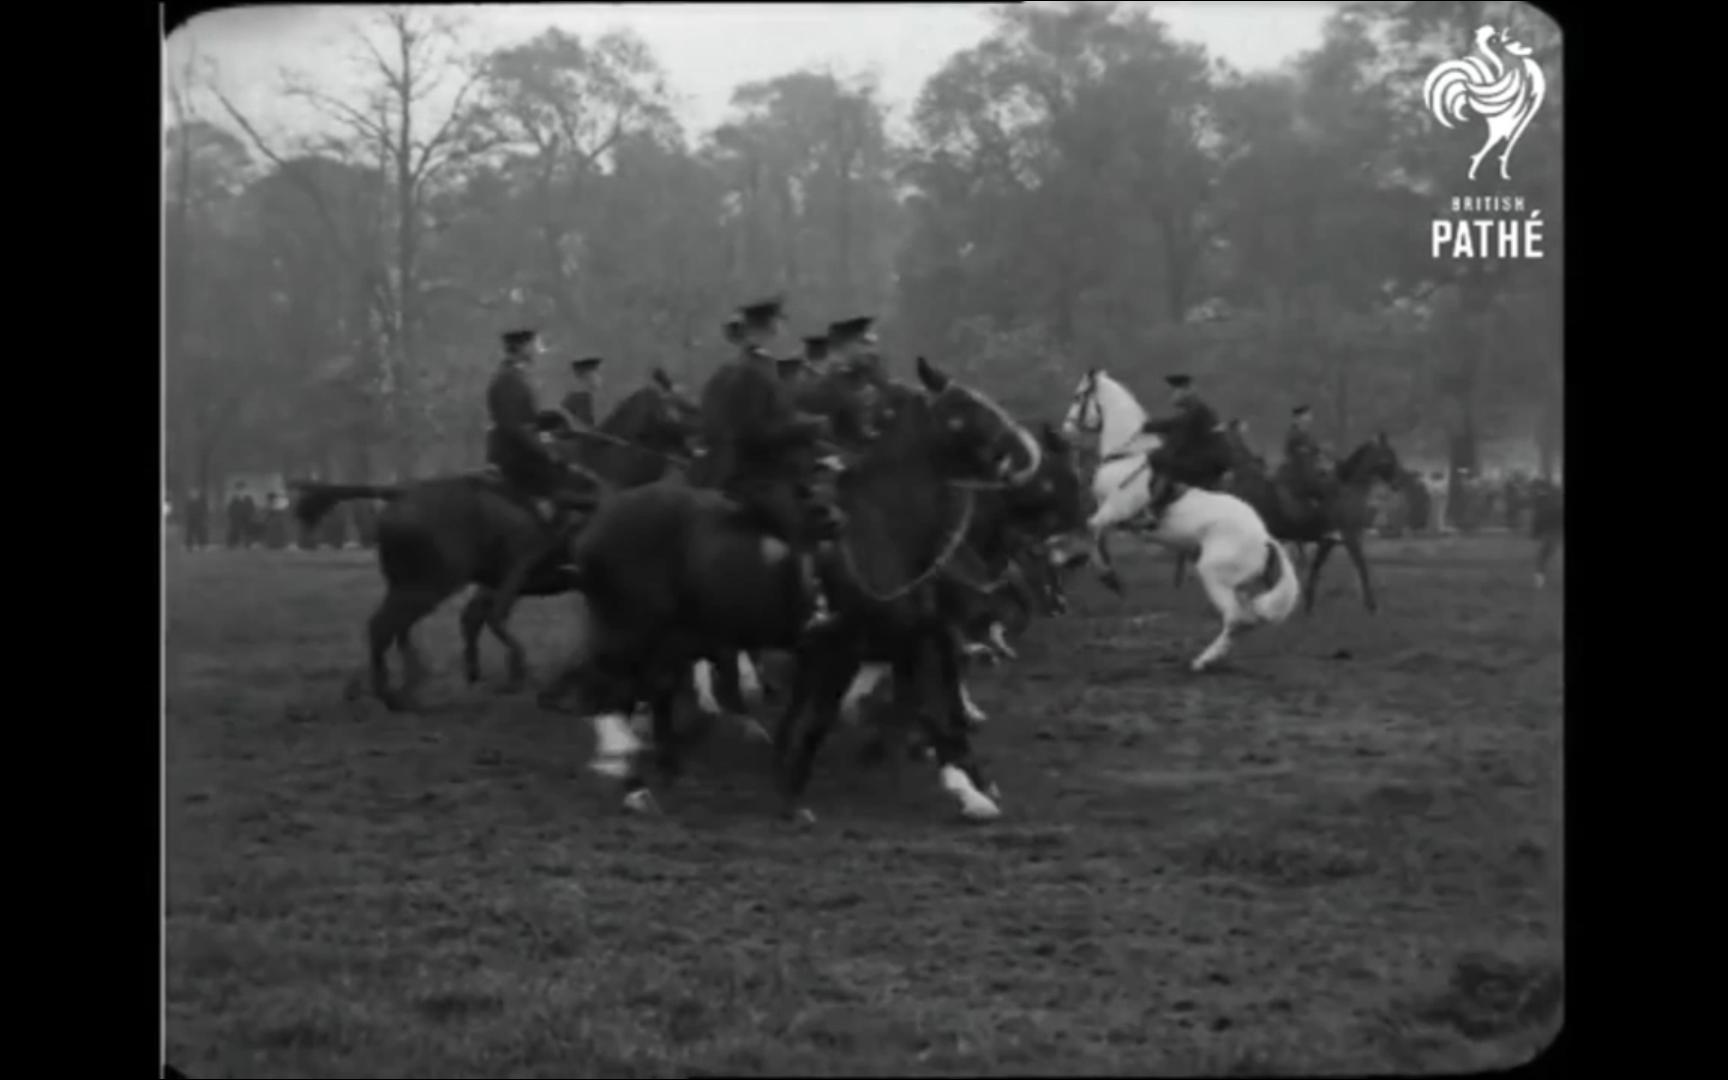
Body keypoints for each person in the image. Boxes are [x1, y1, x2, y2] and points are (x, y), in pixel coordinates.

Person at [700, 297, 836, 629]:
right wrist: (809, 427)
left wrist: (808, 426)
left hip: (777, 470)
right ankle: (809, 605)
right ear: (769, 326)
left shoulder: (763, 367)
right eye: (778, 322)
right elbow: (754, 431)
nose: (781, 328)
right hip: (757, 476)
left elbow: (779, 416)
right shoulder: (750, 371)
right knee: (797, 526)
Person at [484, 328, 591, 531]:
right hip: (514, 456)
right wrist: (548, 453)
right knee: (569, 480)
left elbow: (524, 419)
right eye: (533, 345)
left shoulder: (515, 377)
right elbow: (515, 428)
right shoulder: (508, 380)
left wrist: (550, 423)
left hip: (518, 448)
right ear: (521, 348)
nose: (536, 350)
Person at [1138, 374, 1228, 525]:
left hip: (1207, 466)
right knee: (1161, 458)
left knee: (1161, 461)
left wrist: (1157, 448)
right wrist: (1145, 426)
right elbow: (1172, 425)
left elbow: (1179, 437)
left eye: (1175, 391)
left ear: (1188, 391)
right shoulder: (1193, 411)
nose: (1171, 396)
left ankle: (1154, 510)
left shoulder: (1198, 412)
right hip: (1206, 462)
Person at [1283, 404, 1335, 513]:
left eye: (1310, 415)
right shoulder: (1294, 434)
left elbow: (1316, 450)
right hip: (1300, 473)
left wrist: (1323, 456)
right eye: (1307, 414)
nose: (1310, 417)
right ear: (1299, 417)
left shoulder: (1307, 434)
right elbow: (1295, 453)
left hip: (1310, 470)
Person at [561, 356, 604, 428]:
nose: (600, 378)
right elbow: (586, 430)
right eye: (597, 373)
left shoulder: (574, 398)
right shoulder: (581, 399)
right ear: (588, 376)